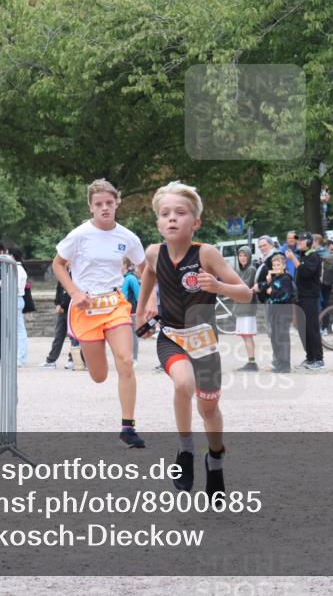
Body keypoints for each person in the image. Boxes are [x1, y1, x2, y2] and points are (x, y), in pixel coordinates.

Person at [135, 181, 253, 494]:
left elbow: (246, 293)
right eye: (165, 213)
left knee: (209, 410)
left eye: (180, 212)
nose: (172, 218)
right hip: (171, 336)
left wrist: (219, 287)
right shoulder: (153, 253)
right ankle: (185, 449)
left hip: (204, 342)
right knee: (182, 383)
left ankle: (215, 460)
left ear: (195, 222)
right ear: (158, 222)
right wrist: (142, 308)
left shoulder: (207, 254)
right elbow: (148, 272)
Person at [53, 179, 147, 448]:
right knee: (99, 375)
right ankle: (92, 350)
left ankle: (128, 428)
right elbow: (58, 264)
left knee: (126, 361)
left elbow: (144, 268)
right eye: (99, 204)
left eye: (109, 203)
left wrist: (150, 298)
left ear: (117, 203)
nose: (104, 208)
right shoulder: (79, 235)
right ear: (91, 207)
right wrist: (74, 292)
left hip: (115, 304)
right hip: (86, 308)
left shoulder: (128, 237)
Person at [289, 232, 324, 369]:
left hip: (310, 297)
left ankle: (318, 359)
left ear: (309, 242)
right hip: (301, 297)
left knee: (311, 328)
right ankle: (310, 357)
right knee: (303, 329)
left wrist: (293, 260)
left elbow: (306, 273)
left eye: (302, 240)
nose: (299, 242)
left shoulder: (314, 256)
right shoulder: (304, 256)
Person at [260, 253, 295, 373]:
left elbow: (285, 295)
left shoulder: (286, 279)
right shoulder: (275, 278)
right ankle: (279, 363)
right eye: (274, 265)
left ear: (284, 265)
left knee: (282, 338)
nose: (276, 267)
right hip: (274, 312)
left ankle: (285, 365)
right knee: (275, 339)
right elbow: (268, 291)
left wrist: (272, 292)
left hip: (283, 312)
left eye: (278, 264)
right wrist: (269, 281)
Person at [233, 246, 259, 372]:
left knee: (247, 335)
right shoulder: (238, 269)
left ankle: (252, 362)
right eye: (240, 255)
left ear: (249, 257)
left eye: (245, 255)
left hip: (247, 307)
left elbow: (244, 286)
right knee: (244, 335)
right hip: (239, 306)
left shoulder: (251, 269)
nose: (242, 258)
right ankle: (251, 361)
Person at [121, 257, 141, 364]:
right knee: (123, 336)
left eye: (120, 263)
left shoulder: (131, 279)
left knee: (133, 336)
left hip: (132, 311)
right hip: (121, 312)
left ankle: (134, 358)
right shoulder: (118, 278)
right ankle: (126, 357)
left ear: (125, 265)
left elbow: (139, 295)